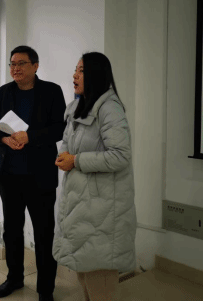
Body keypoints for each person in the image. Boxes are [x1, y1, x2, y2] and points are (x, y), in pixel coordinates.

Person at [53, 52, 137, 301]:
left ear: (95, 75)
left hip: (103, 209)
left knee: (100, 278)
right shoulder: (77, 106)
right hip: (80, 204)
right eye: (75, 70)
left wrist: (76, 161)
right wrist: (64, 156)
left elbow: (120, 155)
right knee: (85, 271)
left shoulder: (110, 109)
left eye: (81, 71)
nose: (74, 75)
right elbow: (67, 143)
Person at [0, 46, 66, 302]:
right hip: (9, 176)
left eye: (21, 63)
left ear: (35, 66)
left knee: (44, 234)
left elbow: (60, 129)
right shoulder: (4, 92)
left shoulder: (51, 91)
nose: (15, 68)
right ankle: (14, 278)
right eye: (12, 64)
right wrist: (4, 140)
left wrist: (30, 137)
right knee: (12, 232)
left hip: (40, 177)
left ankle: (46, 289)